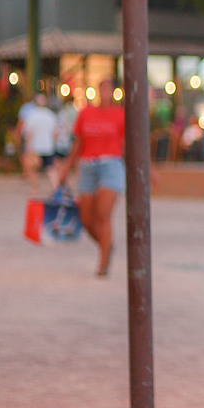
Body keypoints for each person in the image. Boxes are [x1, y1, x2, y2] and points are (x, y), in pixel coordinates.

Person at [64, 80, 125, 277]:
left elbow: (129, 144)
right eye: (102, 89)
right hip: (87, 165)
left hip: (110, 164)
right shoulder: (86, 113)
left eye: (108, 89)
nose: (104, 93)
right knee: (86, 218)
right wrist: (66, 168)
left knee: (102, 214)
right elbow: (78, 144)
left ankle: (103, 261)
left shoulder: (120, 114)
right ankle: (106, 246)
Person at [16, 91, 58, 189]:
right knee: (50, 168)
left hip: (35, 146)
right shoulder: (50, 115)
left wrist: (27, 147)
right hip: (47, 146)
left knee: (33, 168)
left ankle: (34, 189)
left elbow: (28, 133)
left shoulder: (31, 115)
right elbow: (55, 132)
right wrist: (53, 144)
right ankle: (56, 187)